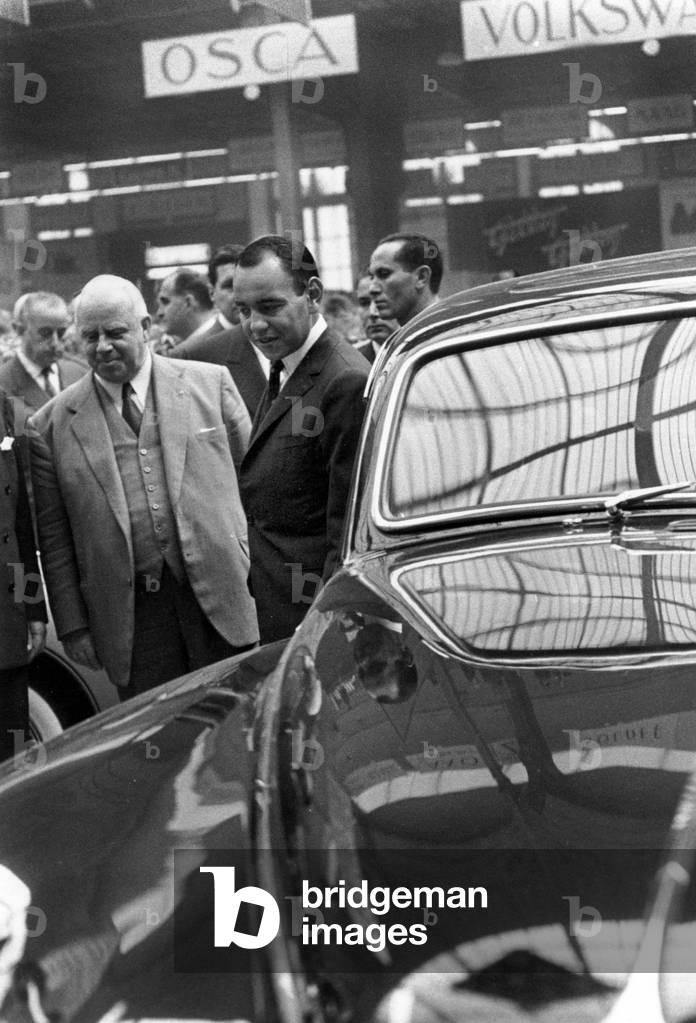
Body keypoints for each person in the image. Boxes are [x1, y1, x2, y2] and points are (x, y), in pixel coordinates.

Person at [29, 274, 258, 700]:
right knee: (157, 747)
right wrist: (75, 625)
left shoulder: (211, 384)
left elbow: (260, 490)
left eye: (116, 333)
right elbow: (55, 538)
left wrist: (268, 583)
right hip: (134, 622)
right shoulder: (50, 425)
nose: (102, 347)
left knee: (240, 729)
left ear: (146, 328)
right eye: (90, 336)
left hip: (226, 598)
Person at [233, 235, 370, 644]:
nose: (255, 325)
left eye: (270, 307)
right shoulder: (289, 367)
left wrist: (318, 633)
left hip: (312, 625)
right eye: (243, 310)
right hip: (285, 612)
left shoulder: (342, 381)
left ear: (312, 295)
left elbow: (346, 537)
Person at [0, 390, 46, 762]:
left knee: (13, 749)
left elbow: (19, 527)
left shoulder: (2, 405)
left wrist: (33, 608)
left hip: (6, 623)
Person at [170, 245, 267, 419]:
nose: (240, 295)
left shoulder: (285, 336)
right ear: (211, 292)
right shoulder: (191, 355)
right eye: (229, 285)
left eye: (248, 284)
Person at [0, 292, 87, 424]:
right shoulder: (4, 382)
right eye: (45, 333)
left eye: (61, 333)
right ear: (19, 330)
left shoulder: (81, 374)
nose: (55, 343)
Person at [368, 233, 444, 326]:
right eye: (372, 277)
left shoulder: (453, 334)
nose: (372, 289)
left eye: (384, 274)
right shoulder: (400, 337)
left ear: (421, 277)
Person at [154, 269, 219, 352]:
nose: (159, 313)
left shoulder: (214, 344)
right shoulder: (187, 347)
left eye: (165, 302)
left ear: (188, 302)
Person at [354, 272, 399, 364]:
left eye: (381, 301)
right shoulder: (351, 360)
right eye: (364, 303)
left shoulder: (426, 353)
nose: (372, 313)